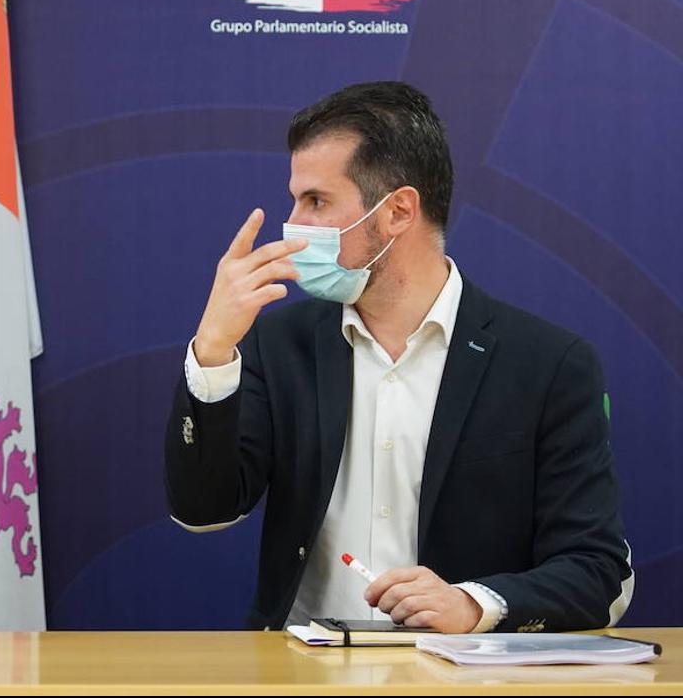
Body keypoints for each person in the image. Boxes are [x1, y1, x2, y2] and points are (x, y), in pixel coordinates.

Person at [166, 81, 633, 633]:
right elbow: (203, 511)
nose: (294, 226)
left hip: (465, 670)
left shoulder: (548, 364)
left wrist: (474, 605)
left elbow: (599, 572)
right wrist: (213, 352)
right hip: (304, 667)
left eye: (316, 201)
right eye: (295, 200)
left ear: (398, 212)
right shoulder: (281, 342)